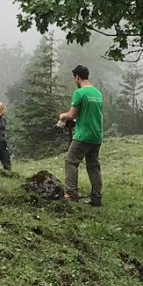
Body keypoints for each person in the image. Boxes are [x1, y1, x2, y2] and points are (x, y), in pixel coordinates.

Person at [57, 64, 105, 206]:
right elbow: (91, 114)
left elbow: (71, 115)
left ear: (77, 77)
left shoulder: (79, 93)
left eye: (74, 78)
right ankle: (96, 198)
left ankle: (72, 194)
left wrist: (62, 116)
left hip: (83, 135)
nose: (75, 81)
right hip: (97, 135)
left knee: (71, 161)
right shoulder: (98, 93)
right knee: (93, 166)